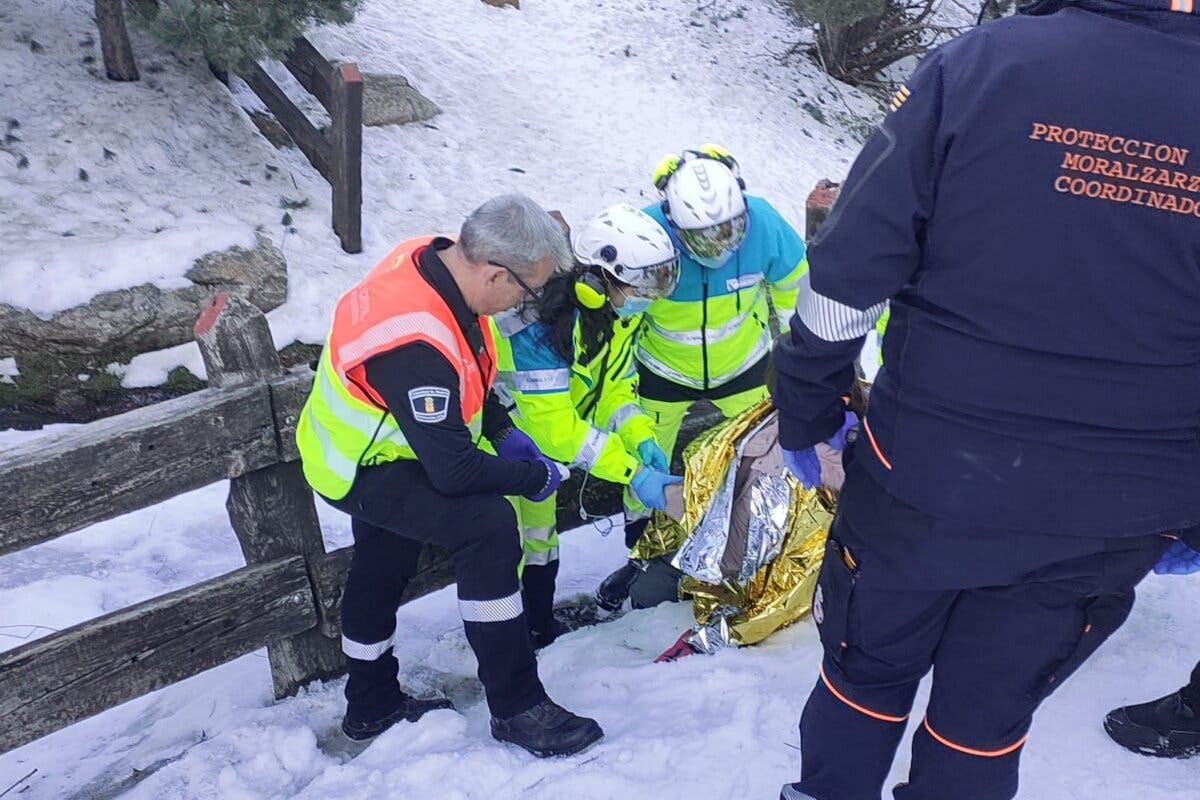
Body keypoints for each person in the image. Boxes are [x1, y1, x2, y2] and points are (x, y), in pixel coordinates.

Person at [768, 2, 1200, 798]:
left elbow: (849, 270)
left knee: (865, 676)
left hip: (929, 479)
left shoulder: (982, 65)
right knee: (984, 719)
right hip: (1115, 510)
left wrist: (807, 406)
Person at [295, 194, 604, 757]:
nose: (527, 305)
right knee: (485, 525)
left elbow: (467, 365)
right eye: (528, 291)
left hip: (388, 443)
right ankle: (517, 707)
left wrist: (503, 426)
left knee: (384, 559)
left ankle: (371, 704)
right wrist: (528, 477)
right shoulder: (414, 342)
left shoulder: (436, 262)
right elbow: (457, 470)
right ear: (494, 272)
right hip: (361, 464)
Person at [616, 145, 806, 560]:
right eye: (701, 237)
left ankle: (760, 538)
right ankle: (645, 551)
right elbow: (620, 320)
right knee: (643, 462)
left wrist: (803, 364)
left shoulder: (765, 223)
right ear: (672, 222)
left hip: (744, 365)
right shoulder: (644, 234)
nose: (720, 245)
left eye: (731, 230)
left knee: (766, 455)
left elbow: (800, 296)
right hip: (662, 371)